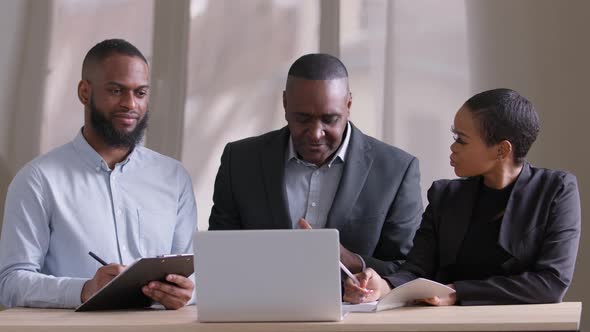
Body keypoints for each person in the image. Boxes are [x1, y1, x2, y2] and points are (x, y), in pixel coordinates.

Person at [0, 39, 197, 309]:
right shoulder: (37, 180)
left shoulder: (174, 178)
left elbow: (194, 277)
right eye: (116, 90)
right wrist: (84, 289)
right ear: (84, 92)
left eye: (140, 93)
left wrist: (187, 292)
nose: (130, 104)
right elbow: (10, 284)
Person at [344, 88, 581, 305]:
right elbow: (416, 271)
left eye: (461, 139)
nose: (453, 147)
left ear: (502, 150)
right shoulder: (445, 196)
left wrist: (459, 292)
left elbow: (551, 284)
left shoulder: (556, 190)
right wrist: (384, 286)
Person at [209, 53, 423, 275]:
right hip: (256, 306)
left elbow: (408, 269)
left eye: (329, 120)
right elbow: (217, 255)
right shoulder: (240, 161)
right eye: (303, 119)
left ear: (348, 104)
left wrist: (353, 261)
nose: (315, 134)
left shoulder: (397, 171)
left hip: (355, 308)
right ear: (284, 103)